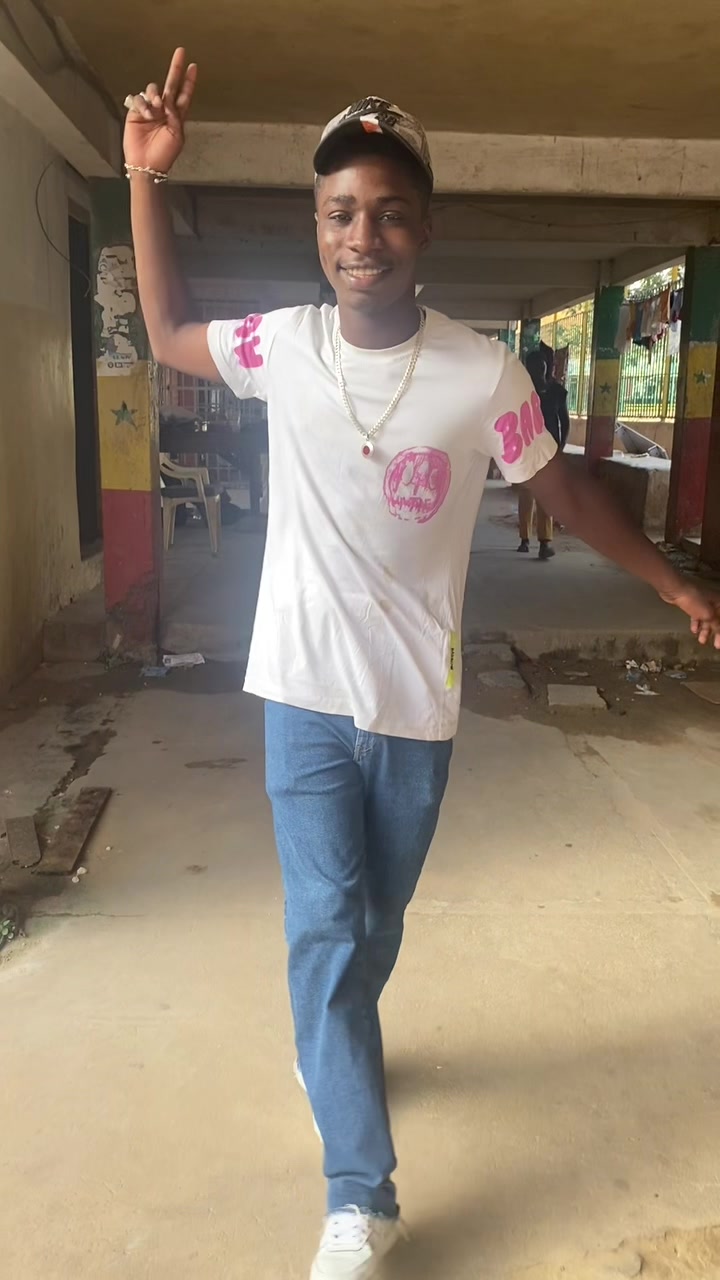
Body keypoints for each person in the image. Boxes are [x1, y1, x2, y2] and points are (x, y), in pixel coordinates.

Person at [123, 50, 720, 1280]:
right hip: (301, 694)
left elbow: (563, 487)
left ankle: (331, 1035)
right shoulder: (282, 345)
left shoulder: (483, 370)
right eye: (342, 212)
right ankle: (362, 1196)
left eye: (390, 211)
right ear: (318, 228)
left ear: (425, 228)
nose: (364, 235)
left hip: (414, 708)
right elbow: (171, 330)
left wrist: (671, 582)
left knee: (373, 924)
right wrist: (144, 179)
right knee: (326, 923)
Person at [517, 346, 570, 559]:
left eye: (541, 366)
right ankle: (524, 538)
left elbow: (564, 422)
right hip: (526, 449)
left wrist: (560, 448)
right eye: (533, 367)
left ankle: (545, 542)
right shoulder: (521, 391)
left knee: (546, 495)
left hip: (548, 451)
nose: (538, 371)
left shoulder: (557, 392)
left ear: (547, 367)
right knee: (526, 494)